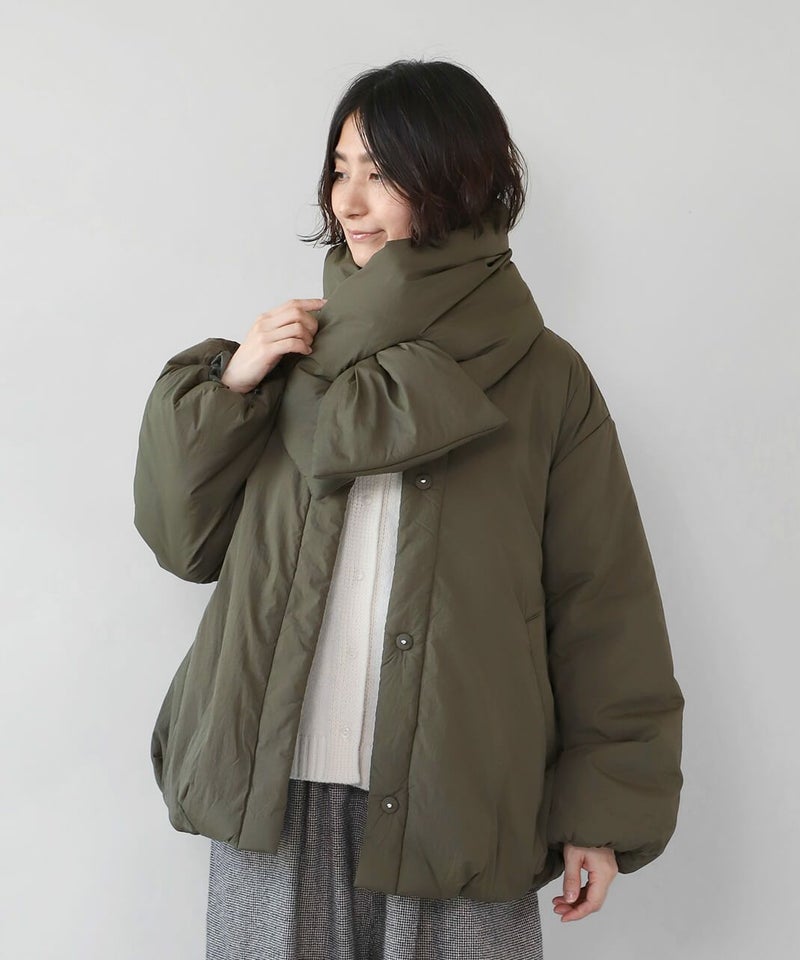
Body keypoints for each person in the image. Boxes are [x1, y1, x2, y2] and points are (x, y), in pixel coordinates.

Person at [133, 58, 684, 960]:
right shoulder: (288, 359)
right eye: (340, 170)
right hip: (275, 790)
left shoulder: (546, 380)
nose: (349, 202)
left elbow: (603, 604)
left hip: (454, 802)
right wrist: (231, 386)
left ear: (454, 178)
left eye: (380, 173)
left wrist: (603, 811)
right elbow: (183, 543)